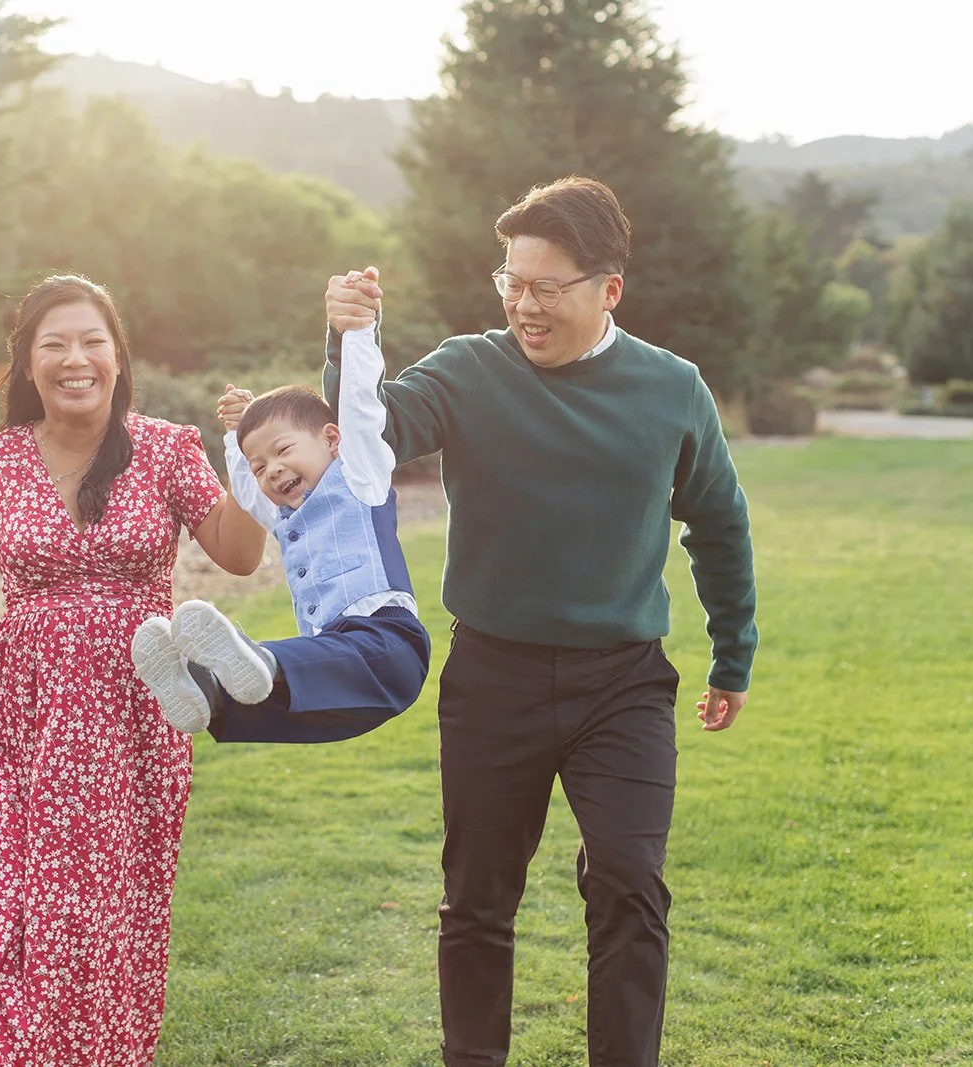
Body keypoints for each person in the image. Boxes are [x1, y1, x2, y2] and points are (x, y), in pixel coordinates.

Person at [323, 176, 758, 1067]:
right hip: (494, 675)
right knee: (477, 899)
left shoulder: (672, 388)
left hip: (624, 682)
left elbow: (717, 520)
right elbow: (369, 434)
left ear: (609, 289)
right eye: (512, 283)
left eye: (547, 287)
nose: (524, 305)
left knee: (631, 884)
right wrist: (347, 337)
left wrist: (732, 652)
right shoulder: (467, 368)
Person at [0, 274, 267, 1067]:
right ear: (27, 363)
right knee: (12, 908)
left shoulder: (167, 449)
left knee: (108, 914)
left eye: (91, 341)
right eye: (54, 344)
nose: (74, 358)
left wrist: (246, 455)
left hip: (136, 715)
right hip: (28, 718)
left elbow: (242, 553)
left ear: (117, 356)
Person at [128, 324, 430, 744]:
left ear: (331, 440)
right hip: (331, 666)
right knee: (275, 699)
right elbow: (250, 497)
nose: (272, 469)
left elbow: (360, 405)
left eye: (283, 451)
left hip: (387, 643)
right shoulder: (285, 517)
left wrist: (357, 330)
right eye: (260, 465)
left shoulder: (359, 475)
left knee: (279, 670)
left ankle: (258, 660)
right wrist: (236, 439)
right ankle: (203, 687)